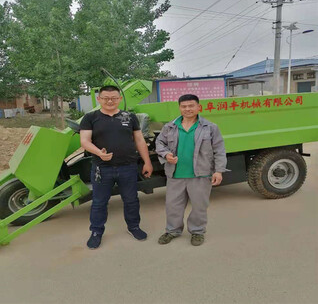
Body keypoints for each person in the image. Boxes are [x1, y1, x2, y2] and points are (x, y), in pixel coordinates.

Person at [80, 85, 153, 249]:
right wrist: (99, 153)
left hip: (128, 167)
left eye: (113, 97)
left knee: (131, 200)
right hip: (102, 169)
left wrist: (147, 162)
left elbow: (139, 140)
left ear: (120, 99)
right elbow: (84, 141)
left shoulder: (130, 117)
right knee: (99, 202)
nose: (110, 101)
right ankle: (96, 232)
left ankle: (134, 227)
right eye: (105, 98)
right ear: (99, 99)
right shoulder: (90, 118)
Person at [155, 94, 227, 246]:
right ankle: (172, 231)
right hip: (175, 174)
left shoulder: (210, 127)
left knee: (199, 206)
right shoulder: (170, 127)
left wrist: (218, 171)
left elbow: (219, 150)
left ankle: (198, 231)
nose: (187, 109)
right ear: (180, 108)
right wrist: (166, 154)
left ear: (198, 107)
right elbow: (159, 143)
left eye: (191, 106)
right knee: (173, 206)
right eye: (184, 106)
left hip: (201, 174)